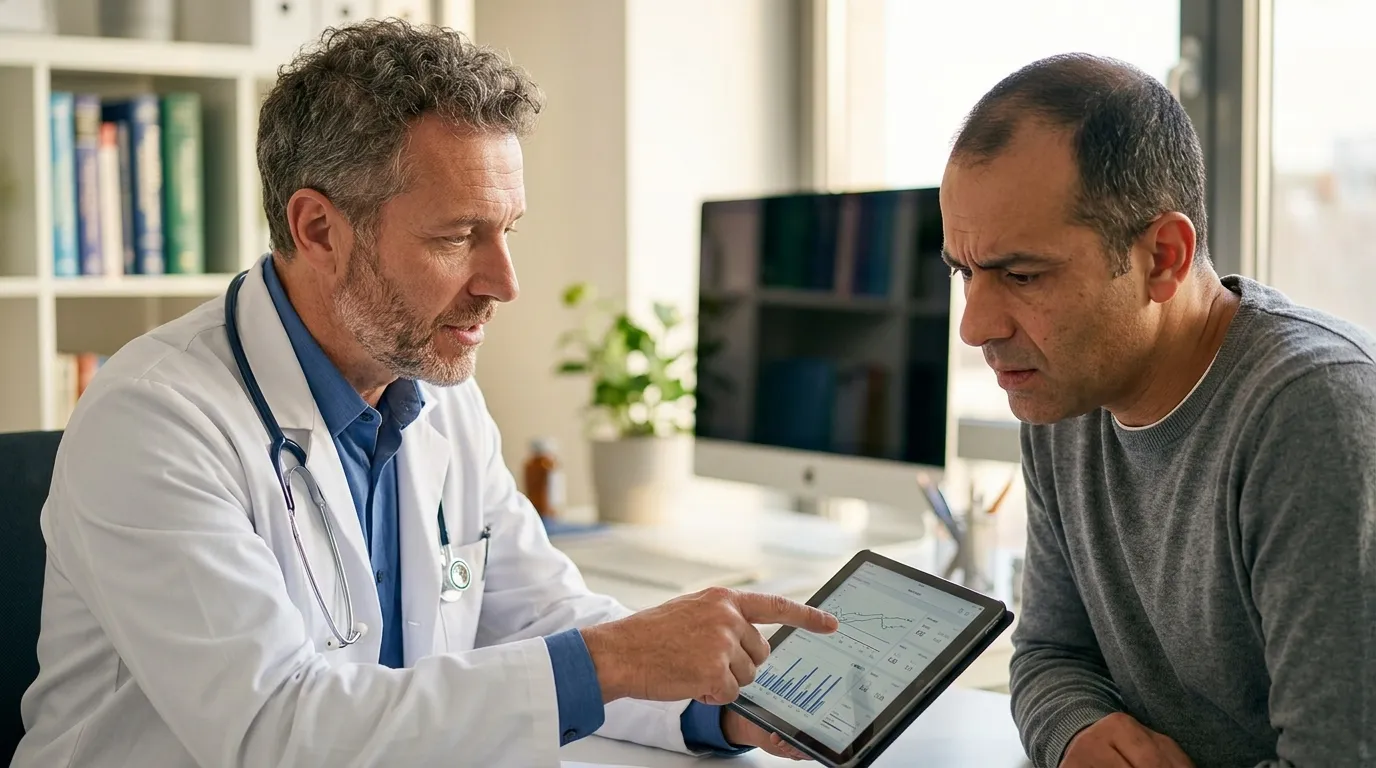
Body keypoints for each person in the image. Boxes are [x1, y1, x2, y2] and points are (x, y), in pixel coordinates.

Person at [13, 21, 837, 767]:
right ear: (319, 230)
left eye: (506, 231)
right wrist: (615, 660)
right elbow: (274, 730)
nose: (504, 283)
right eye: (456, 237)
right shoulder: (154, 420)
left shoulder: (436, 397)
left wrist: (714, 707)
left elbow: (536, 619)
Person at [940, 53, 1374, 768]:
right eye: (966, 271)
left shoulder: (1314, 414)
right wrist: (1076, 733)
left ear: (1164, 258)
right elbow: (1050, 654)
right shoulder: (1063, 391)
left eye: (1021, 275)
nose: (976, 325)